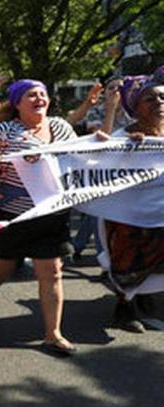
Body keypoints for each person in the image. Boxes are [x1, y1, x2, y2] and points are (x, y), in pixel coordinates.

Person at [0, 79, 79, 356]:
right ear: (18, 103)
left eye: (42, 94)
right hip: (15, 214)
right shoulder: (5, 130)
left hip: (52, 212)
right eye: (31, 95)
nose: (39, 99)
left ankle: (53, 334)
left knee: (52, 271)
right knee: (3, 266)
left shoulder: (60, 127)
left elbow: (81, 157)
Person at [98, 67, 164, 332]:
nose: (159, 103)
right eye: (151, 99)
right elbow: (99, 163)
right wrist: (126, 151)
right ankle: (124, 310)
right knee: (129, 264)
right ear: (135, 108)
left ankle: (146, 298)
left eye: (162, 98)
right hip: (130, 220)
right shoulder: (124, 139)